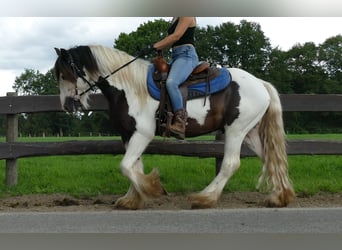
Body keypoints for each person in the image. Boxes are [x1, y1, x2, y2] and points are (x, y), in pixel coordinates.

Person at [152, 17, 199, 139]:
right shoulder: (174, 17)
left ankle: (180, 123)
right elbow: (168, 39)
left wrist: (154, 46)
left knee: (171, 83)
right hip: (176, 56)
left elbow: (176, 36)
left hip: (186, 55)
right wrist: (156, 47)